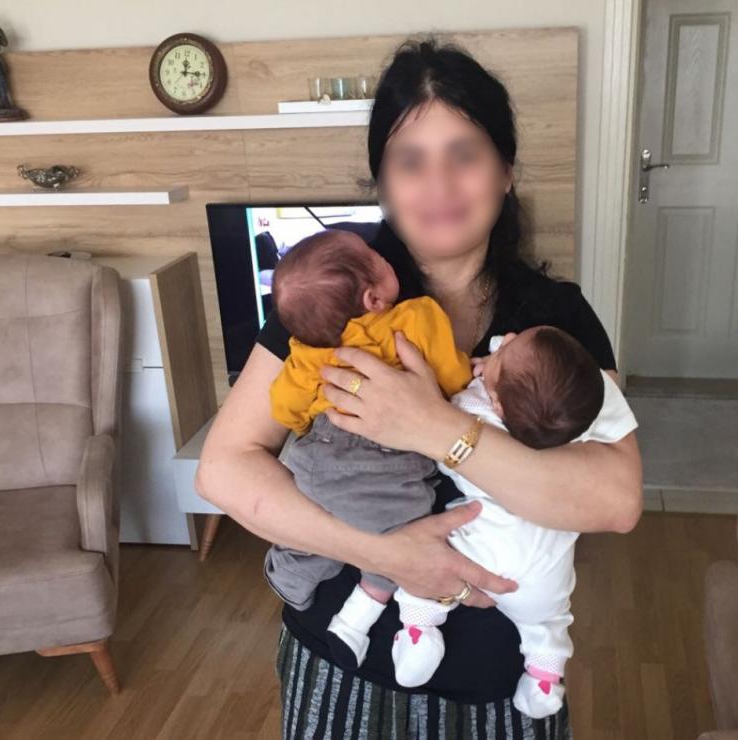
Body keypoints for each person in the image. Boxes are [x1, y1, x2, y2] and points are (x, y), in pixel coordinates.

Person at [196, 34, 643, 739]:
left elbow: (615, 500)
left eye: (464, 154)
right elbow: (223, 468)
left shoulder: (553, 321)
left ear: (506, 171)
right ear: (383, 181)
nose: (439, 185)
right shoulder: (331, 301)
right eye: (411, 161)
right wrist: (386, 555)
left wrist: (437, 429)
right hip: (340, 657)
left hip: (498, 681)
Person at [390, 328, 639, 722]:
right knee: (549, 621)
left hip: (481, 552)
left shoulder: (473, 409)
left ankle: (420, 630)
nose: (505, 337)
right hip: (545, 579)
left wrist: (480, 379)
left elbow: (436, 434)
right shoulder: (578, 413)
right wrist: (498, 367)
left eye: (506, 346)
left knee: (426, 564)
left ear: (496, 403)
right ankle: (544, 677)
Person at [261, 228, 472, 671]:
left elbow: (283, 404)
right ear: (374, 299)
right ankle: (363, 614)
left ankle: (292, 575)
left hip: (314, 453)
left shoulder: (306, 349)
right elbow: (452, 378)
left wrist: (305, 425)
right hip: (381, 459)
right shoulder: (415, 317)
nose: (381, 253)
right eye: (374, 257)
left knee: (328, 521)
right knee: (404, 531)